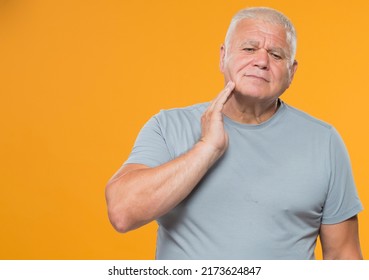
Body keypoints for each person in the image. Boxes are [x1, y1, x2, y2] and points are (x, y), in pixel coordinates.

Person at [105, 7, 363, 259]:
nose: (261, 61)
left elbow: (343, 255)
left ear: (292, 72)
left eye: (276, 54)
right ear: (223, 56)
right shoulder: (168, 126)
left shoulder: (324, 142)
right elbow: (123, 213)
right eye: (249, 49)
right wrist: (207, 148)